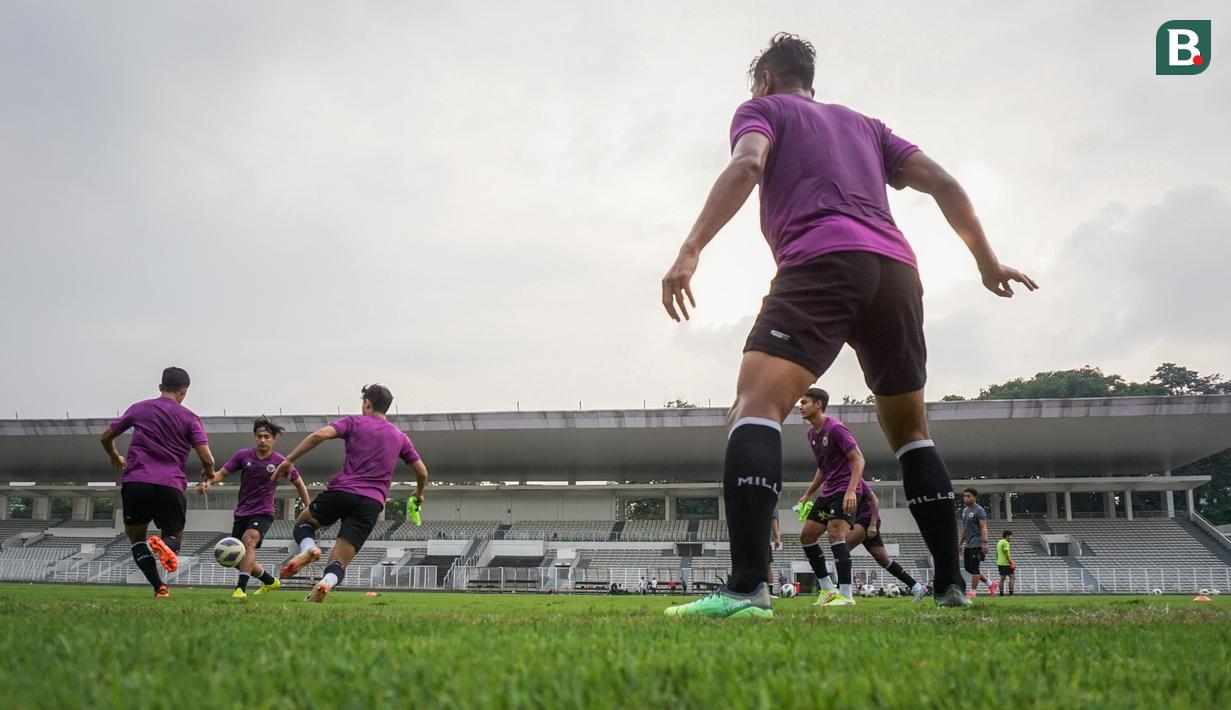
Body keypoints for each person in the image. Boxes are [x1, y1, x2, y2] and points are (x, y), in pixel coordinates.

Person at [661, 33, 1036, 615]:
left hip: (822, 259)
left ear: (764, 80)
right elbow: (946, 183)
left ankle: (745, 587)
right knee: (913, 431)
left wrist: (690, 249)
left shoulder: (762, 110)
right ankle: (949, 585)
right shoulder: (867, 126)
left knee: (754, 409)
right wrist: (986, 261)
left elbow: (748, 162)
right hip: (896, 271)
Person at [273, 384, 429, 602]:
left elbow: (320, 435)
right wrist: (418, 494)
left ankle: (309, 548)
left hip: (343, 491)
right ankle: (326, 583)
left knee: (304, 522)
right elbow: (422, 473)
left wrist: (288, 460)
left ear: (367, 403)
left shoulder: (353, 421)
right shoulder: (400, 437)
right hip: (372, 503)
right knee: (339, 560)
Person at [99, 366, 215, 598]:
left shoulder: (139, 408)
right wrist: (209, 472)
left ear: (161, 387)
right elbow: (207, 458)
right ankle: (167, 546)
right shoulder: (190, 418)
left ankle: (159, 587)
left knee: (136, 538)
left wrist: (114, 455)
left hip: (137, 481)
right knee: (173, 536)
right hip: (170, 485)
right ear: (184, 391)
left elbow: (105, 437)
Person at [197, 416, 312, 598]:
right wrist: (208, 482)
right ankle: (269, 581)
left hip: (263, 512)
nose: (263, 440)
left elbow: (299, 483)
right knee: (236, 557)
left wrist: (307, 507)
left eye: (267, 436)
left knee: (248, 540)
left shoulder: (280, 462)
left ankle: (240, 589)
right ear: (254, 437)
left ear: (274, 439)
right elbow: (222, 474)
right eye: (259, 436)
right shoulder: (243, 456)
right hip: (242, 512)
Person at [794, 388, 865, 607]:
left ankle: (846, 595)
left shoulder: (835, 428)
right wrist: (808, 493)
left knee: (835, 534)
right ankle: (828, 590)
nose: (800, 406)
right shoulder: (811, 434)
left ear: (818, 404)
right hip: (828, 491)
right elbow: (823, 468)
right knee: (807, 536)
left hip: (845, 488)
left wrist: (852, 490)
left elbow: (859, 460)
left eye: (804, 402)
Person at [846, 484, 927, 601]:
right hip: (858, 520)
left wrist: (873, 524)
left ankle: (842, 592)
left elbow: (875, 500)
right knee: (883, 559)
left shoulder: (855, 478)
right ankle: (917, 587)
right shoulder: (836, 480)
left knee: (842, 548)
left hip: (866, 519)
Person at [960, 488, 990, 597]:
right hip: (968, 544)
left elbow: (983, 528)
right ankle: (990, 584)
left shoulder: (979, 510)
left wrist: (985, 543)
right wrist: (960, 543)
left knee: (975, 568)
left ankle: (973, 592)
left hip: (977, 543)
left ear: (975, 497)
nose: (966, 498)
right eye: (964, 496)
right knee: (968, 568)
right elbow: (964, 529)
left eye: (968, 496)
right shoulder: (964, 511)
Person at [996, 530, 1016, 596]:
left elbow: (997, 553)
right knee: (1012, 577)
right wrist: (1011, 563)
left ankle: (1001, 594)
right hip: (1006, 563)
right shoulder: (1005, 542)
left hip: (1000, 563)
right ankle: (1011, 593)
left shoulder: (999, 542)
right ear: (1007, 536)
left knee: (1002, 578)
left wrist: (998, 561)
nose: (1011, 538)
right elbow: (1006, 553)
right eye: (1011, 536)